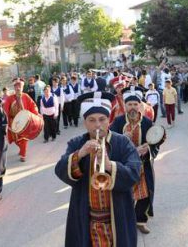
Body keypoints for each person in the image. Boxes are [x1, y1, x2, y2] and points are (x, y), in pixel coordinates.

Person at [55, 91, 141, 247]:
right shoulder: (76, 143)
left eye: (102, 119)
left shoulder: (123, 142)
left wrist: (108, 165)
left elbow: (134, 173)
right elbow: (60, 170)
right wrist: (79, 154)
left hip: (118, 215)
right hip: (86, 217)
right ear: (85, 122)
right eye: (91, 120)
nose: (97, 125)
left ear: (109, 120)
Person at [110, 86, 159, 234]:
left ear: (140, 106)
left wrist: (148, 149)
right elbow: (109, 143)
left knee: (144, 194)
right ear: (125, 106)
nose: (132, 107)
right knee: (125, 194)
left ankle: (140, 220)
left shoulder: (147, 123)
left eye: (135, 104)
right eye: (129, 104)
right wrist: (122, 141)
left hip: (143, 165)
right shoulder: (117, 123)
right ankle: (125, 220)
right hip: (123, 166)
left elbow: (155, 141)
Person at [3, 78, 41, 162]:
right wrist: (6, 121)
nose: (18, 88)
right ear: (14, 87)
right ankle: (21, 149)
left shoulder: (26, 96)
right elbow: (5, 110)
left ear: (22, 87)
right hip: (14, 123)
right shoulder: (9, 98)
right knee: (16, 140)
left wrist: (35, 114)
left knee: (24, 139)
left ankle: (23, 155)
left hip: (25, 123)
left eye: (19, 86)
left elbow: (33, 106)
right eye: (16, 86)